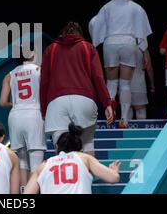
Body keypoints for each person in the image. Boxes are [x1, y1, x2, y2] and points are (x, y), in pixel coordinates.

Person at [40, 21, 115, 157]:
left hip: (57, 102)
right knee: (87, 144)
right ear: (80, 34)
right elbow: (98, 78)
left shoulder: (51, 49)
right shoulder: (88, 47)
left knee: (61, 147)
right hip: (84, 100)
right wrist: (107, 103)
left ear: (63, 33)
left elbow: (44, 82)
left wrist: (44, 110)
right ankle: (86, 176)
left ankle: (63, 176)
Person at [89, 0, 152, 128]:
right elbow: (143, 32)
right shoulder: (136, 7)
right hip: (128, 43)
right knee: (125, 84)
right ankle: (124, 118)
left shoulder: (106, 7)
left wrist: (95, 42)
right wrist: (143, 49)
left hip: (110, 43)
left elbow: (93, 23)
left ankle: (109, 115)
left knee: (111, 83)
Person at [0, 48, 46, 192]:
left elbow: (2, 102)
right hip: (34, 114)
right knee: (36, 158)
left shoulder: (9, 75)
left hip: (15, 116)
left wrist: (13, 104)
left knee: (22, 160)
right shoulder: (39, 69)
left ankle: (24, 193)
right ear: (32, 54)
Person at [24, 123, 121, 194]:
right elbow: (113, 178)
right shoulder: (84, 158)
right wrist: (114, 170)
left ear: (57, 147)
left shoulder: (43, 166)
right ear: (80, 148)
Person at [130, 46, 155, 120]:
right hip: (139, 86)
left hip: (123, 86)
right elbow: (149, 68)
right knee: (140, 110)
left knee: (126, 111)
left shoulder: (121, 45)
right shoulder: (142, 46)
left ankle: (125, 131)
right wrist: (152, 84)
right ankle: (141, 131)